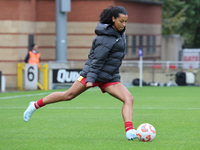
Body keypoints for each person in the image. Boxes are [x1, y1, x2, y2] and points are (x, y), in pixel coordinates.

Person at [23, 6, 137, 140]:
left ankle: (129, 131)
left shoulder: (119, 34)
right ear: (113, 19)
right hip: (92, 74)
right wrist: (90, 80)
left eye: (125, 21)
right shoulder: (105, 38)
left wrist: (113, 75)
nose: (124, 24)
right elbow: (96, 61)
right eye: (121, 21)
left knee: (128, 99)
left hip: (109, 77)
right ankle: (35, 105)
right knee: (68, 95)